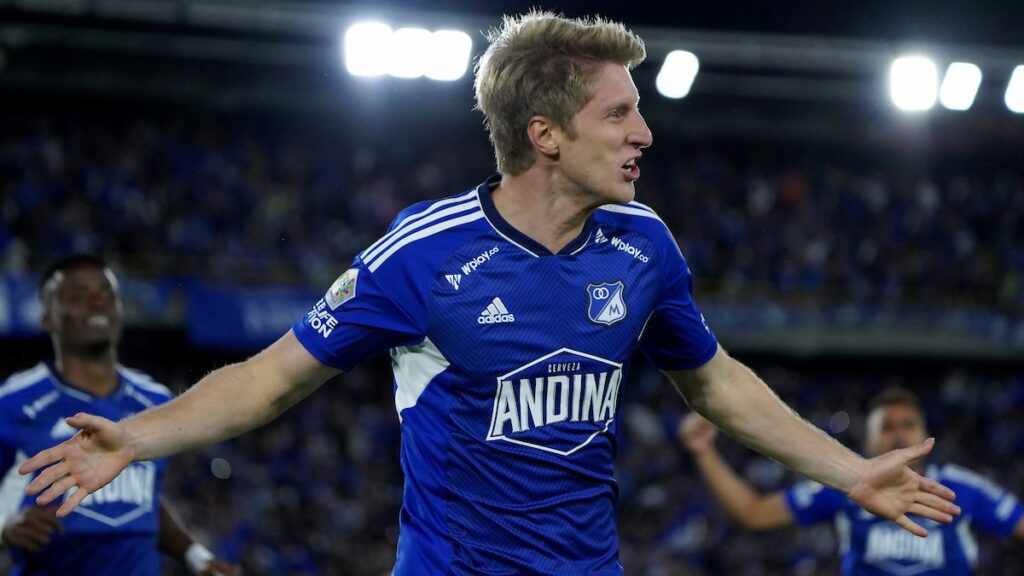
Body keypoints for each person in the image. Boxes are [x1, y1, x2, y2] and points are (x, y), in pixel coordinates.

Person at [19, 12, 959, 575]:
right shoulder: (423, 256)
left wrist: (849, 470)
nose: (646, 133)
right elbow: (271, 381)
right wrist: (135, 437)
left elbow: (714, 384)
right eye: (620, 112)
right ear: (545, 134)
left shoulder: (643, 246)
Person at [0, 254, 236, 575]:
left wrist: (194, 555)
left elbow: (144, 500)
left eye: (106, 294)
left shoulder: (156, 399)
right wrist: (4, 526)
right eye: (77, 296)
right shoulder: (12, 401)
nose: (96, 303)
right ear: (48, 319)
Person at [679, 387, 1024, 575]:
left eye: (908, 424)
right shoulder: (847, 487)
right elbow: (752, 513)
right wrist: (704, 450)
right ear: (869, 442)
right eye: (886, 427)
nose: (899, 434)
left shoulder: (961, 488)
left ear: (925, 436)